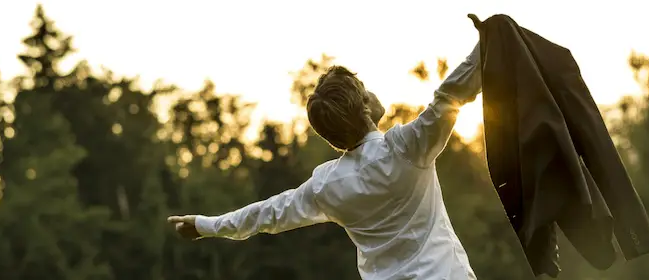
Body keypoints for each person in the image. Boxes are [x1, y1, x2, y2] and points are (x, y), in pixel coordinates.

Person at [168, 42, 483, 280]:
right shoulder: (406, 148)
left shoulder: (326, 185)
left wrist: (204, 226)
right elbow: (449, 97)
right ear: (364, 106)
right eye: (365, 89)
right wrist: (489, 44)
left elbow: (266, 215)